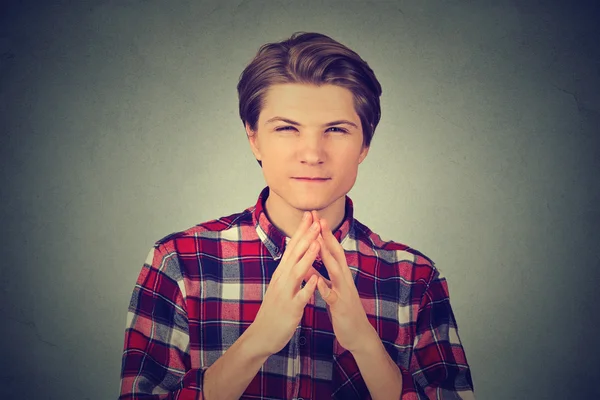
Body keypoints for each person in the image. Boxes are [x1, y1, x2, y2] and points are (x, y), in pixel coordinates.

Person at [119, 32, 475, 400]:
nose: (312, 153)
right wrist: (256, 342)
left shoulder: (415, 279)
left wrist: (366, 346)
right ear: (254, 138)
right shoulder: (179, 263)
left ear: (365, 144)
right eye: (287, 128)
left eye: (336, 129)